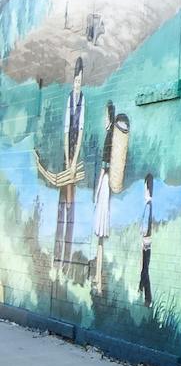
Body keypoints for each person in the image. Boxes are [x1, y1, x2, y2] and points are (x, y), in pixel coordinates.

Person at [54, 56, 85, 266]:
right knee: (62, 204)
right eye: (75, 81)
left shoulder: (83, 99)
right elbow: (67, 131)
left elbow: (80, 131)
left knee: (71, 205)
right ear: (72, 80)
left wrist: (74, 161)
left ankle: (66, 258)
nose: (77, 85)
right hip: (67, 155)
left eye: (80, 82)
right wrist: (66, 159)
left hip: (75, 156)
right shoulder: (68, 99)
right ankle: (58, 257)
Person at [91, 101, 115, 293]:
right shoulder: (113, 136)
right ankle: (98, 278)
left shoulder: (109, 137)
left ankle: (98, 280)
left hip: (105, 185)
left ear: (109, 117)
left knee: (100, 233)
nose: (104, 119)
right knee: (101, 234)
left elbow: (104, 168)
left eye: (105, 116)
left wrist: (97, 190)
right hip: (108, 186)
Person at [138, 173, 154, 307]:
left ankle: (147, 298)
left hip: (146, 243)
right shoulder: (148, 204)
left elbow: (145, 226)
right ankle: (141, 289)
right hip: (146, 243)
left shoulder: (148, 204)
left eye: (144, 188)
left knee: (145, 270)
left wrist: (142, 234)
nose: (143, 192)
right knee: (144, 268)